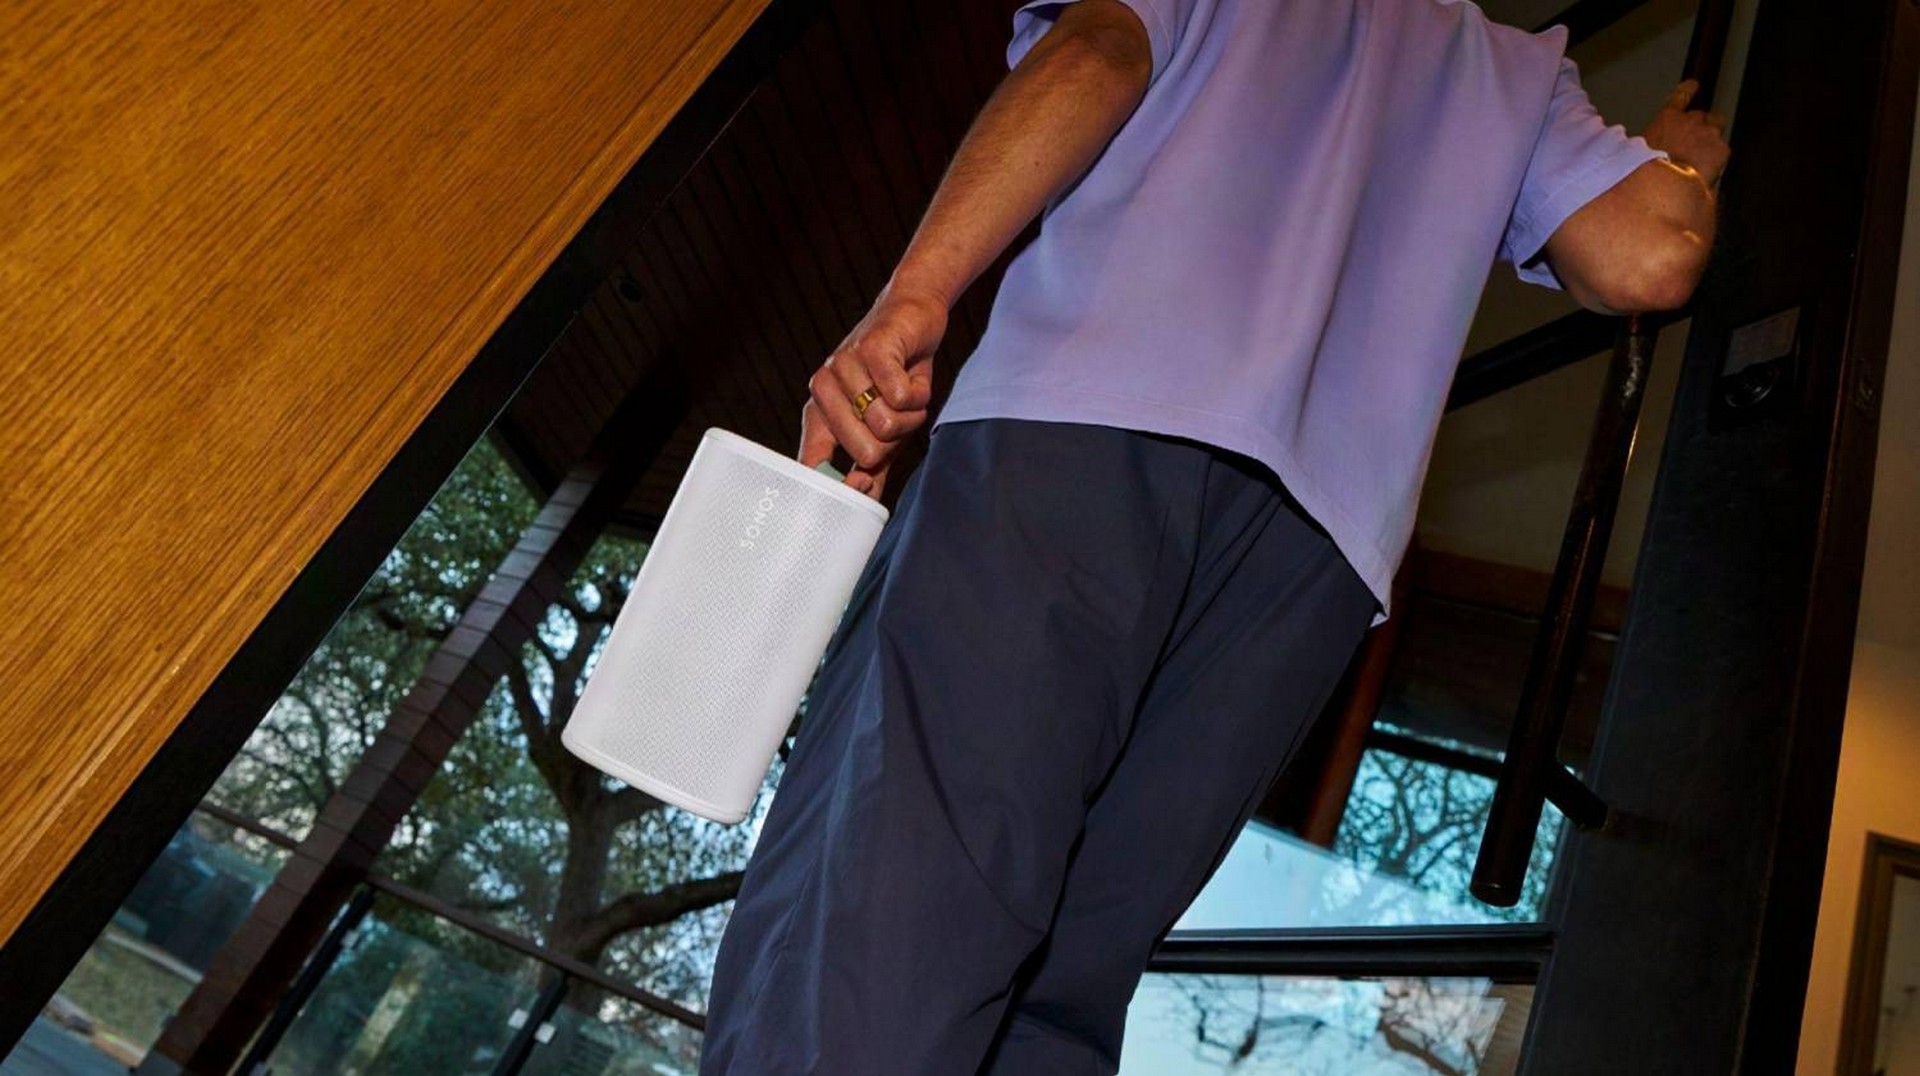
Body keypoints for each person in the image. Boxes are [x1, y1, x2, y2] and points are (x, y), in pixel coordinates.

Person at [698, 0, 1730, 1071]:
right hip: (1308, 562)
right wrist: (1679, 165)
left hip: (1082, 422)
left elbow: (1099, 47)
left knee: (886, 902)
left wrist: (914, 296)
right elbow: (1650, 255)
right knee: (1059, 986)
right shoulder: (1510, 70)